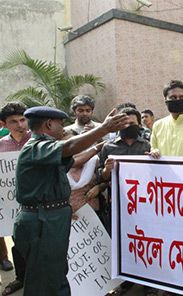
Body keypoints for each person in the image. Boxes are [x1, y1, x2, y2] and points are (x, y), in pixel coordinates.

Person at [14, 106, 128, 296]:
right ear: (49, 124)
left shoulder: (45, 151)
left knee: (56, 274)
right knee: (45, 281)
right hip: (43, 222)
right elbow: (68, 148)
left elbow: (73, 160)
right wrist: (102, 129)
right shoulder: (37, 147)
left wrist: (99, 146)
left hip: (49, 219)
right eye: (61, 124)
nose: (63, 128)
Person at [96, 107, 154, 296]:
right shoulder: (109, 148)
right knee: (123, 243)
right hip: (119, 205)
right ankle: (127, 280)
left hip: (145, 206)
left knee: (147, 242)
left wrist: (155, 159)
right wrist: (106, 169)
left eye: (132, 123)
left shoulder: (147, 145)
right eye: (125, 123)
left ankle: (150, 283)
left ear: (139, 125)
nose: (128, 126)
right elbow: (101, 178)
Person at [0, 102, 31, 296]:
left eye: (23, 120)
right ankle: (21, 277)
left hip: (38, 204)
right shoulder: (1, 147)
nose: (20, 125)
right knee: (17, 242)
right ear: (4, 124)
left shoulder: (39, 141)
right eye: (14, 121)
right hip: (12, 205)